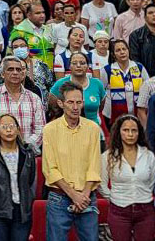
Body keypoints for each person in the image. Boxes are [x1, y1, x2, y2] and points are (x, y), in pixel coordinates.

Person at [42, 81, 102, 241]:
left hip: (87, 196)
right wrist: (74, 195)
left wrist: (83, 195)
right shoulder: (50, 129)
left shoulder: (93, 128)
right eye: (70, 102)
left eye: (79, 102)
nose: (75, 107)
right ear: (61, 103)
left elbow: (94, 165)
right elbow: (50, 168)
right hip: (59, 198)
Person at [0, 113, 38, 241]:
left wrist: (28, 200)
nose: (9, 130)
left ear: (18, 129)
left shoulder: (27, 152)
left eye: (12, 126)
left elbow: (31, 180)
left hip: (21, 212)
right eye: (4, 127)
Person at [99, 114, 155, 241]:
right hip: (119, 210)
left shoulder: (148, 155)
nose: (130, 134)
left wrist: (142, 194)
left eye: (134, 130)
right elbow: (101, 185)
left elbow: (152, 182)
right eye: (126, 130)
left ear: (139, 133)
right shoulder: (108, 156)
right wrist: (115, 197)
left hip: (145, 210)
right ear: (118, 132)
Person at [0, 55, 46, 153]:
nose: (15, 72)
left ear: (23, 74)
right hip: (0, 155)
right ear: (2, 74)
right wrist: (8, 147)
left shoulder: (34, 98)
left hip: (28, 155)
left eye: (18, 70)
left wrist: (23, 148)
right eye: (10, 69)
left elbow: (40, 131)